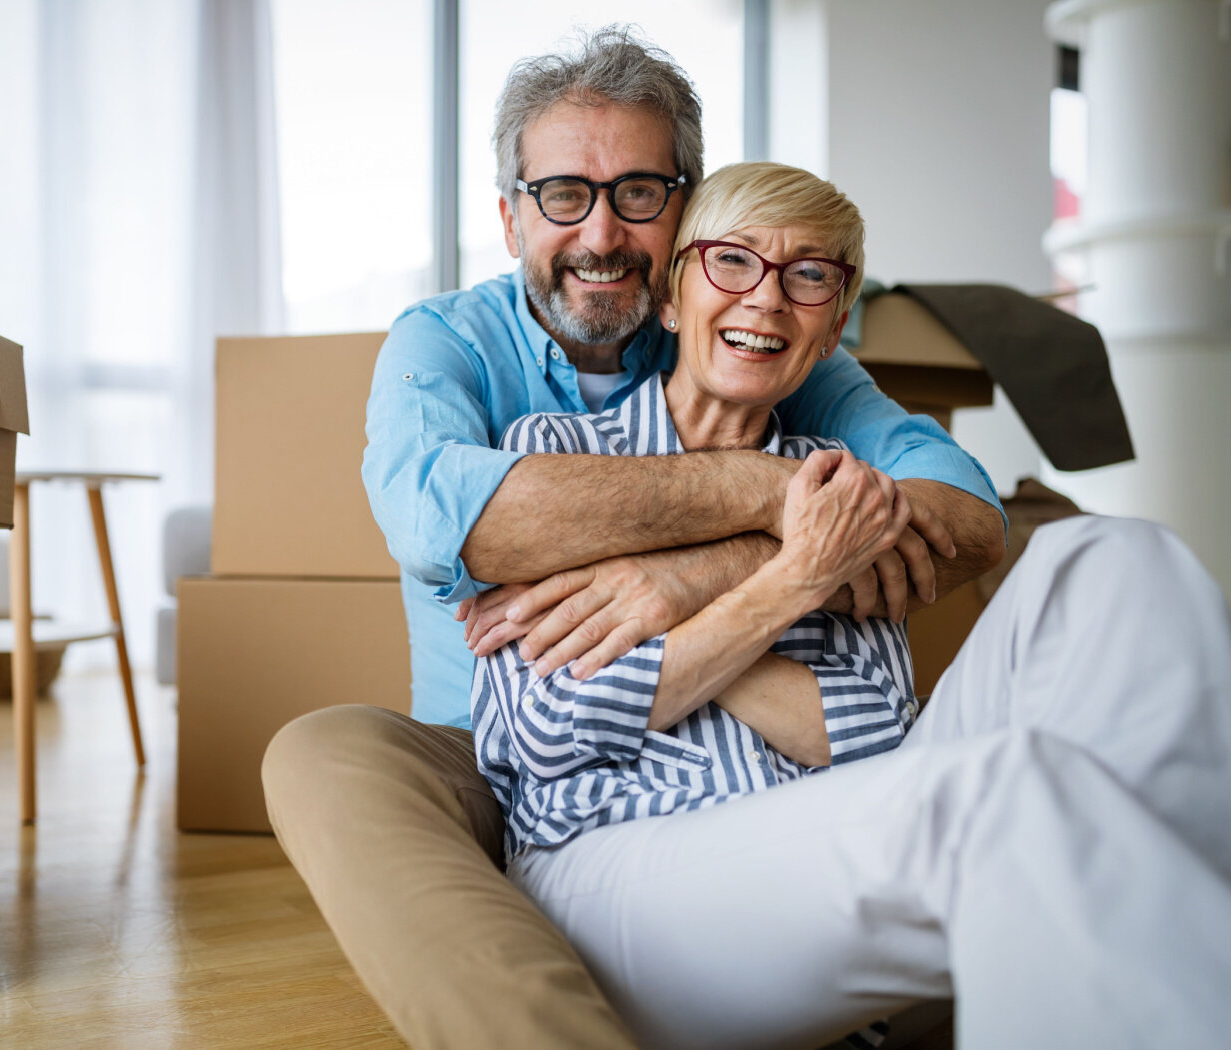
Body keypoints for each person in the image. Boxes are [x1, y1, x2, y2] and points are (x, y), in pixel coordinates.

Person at [266, 27, 996, 1048]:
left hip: (761, 768)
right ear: (511, 213)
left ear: (681, 212)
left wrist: (706, 572)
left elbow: (958, 515)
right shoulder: (447, 342)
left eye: (640, 193)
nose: (600, 231)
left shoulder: (748, 322)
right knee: (321, 754)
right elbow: (449, 523)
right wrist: (766, 497)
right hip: (492, 750)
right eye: (563, 193)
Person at [484, 161, 1231, 1050]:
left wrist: (673, 607)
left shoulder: (850, 489)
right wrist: (793, 580)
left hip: (823, 848)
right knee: (1003, 786)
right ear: (674, 295)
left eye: (808, 276)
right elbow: (547, 725)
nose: (766, 301)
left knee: (1114, 555)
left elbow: (875, 732)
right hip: (614, 871)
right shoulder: (556, 456)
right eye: (733, 261)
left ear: (834, 324)